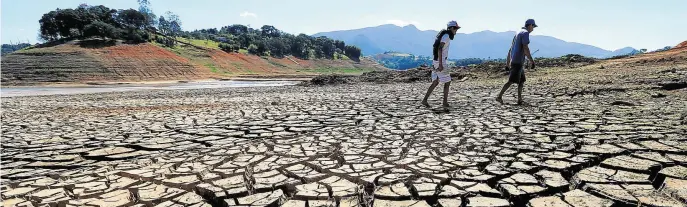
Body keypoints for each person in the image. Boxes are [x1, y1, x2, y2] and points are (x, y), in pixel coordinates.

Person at [496, 19, 537, 105]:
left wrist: (507, 63)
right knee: (511, 81)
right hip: (517, 62)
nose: (533, 29)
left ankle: (519, 99)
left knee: (522, 81)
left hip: (516, 61)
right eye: (533, 26)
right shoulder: (525, 33)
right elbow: (526, 48)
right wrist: (532, 61)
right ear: (530, 25)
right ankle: (499, 96)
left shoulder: (518, 32)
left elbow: (511, 49)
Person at [422, 20, 460, 108]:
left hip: (435, 61)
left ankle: (424, 100)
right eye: (455, 29)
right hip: (440, 61)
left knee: (435, 82)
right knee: (447, 82)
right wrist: (440, 64)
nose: (456, 31)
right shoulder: (446, 36)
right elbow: (440, 48)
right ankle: (445, 103)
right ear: (451, 28)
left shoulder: (443, 35)